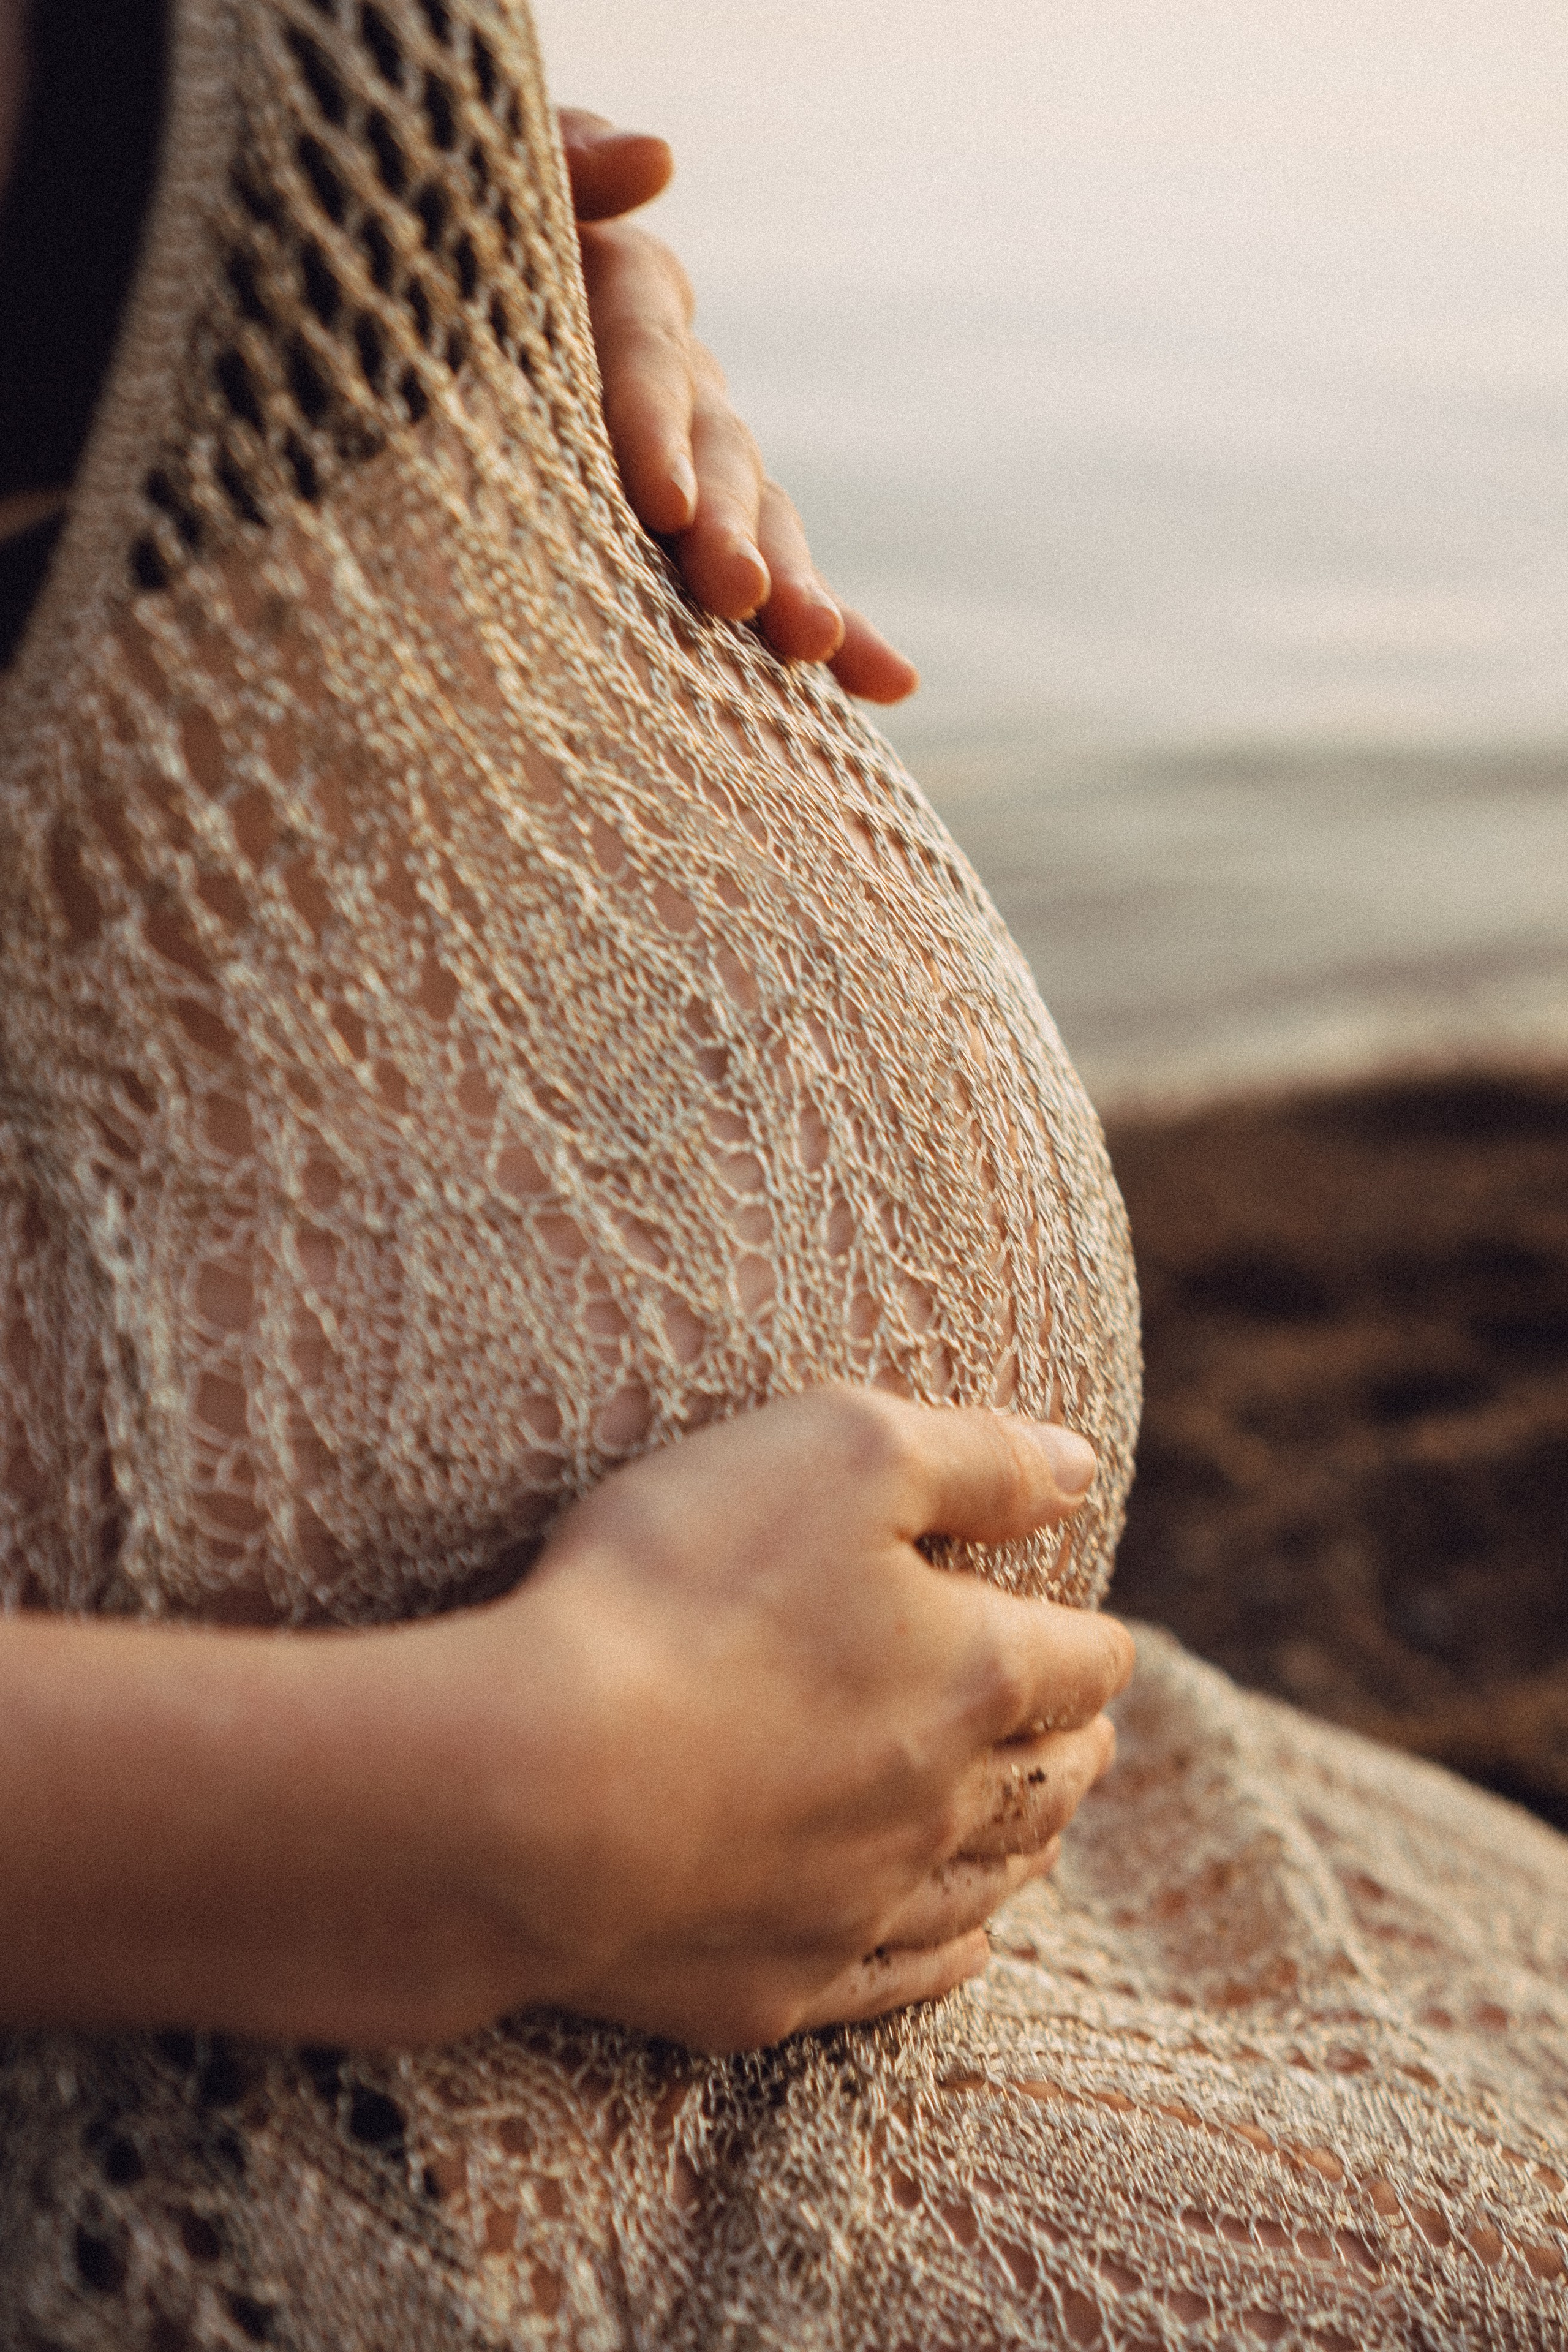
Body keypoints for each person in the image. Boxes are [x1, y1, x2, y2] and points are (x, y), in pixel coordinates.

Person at [2, 6, 1566, 2347]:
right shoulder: (473, 1840)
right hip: (282, 2006)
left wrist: (420, 275)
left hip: (778, 1856)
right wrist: (483, 1817)